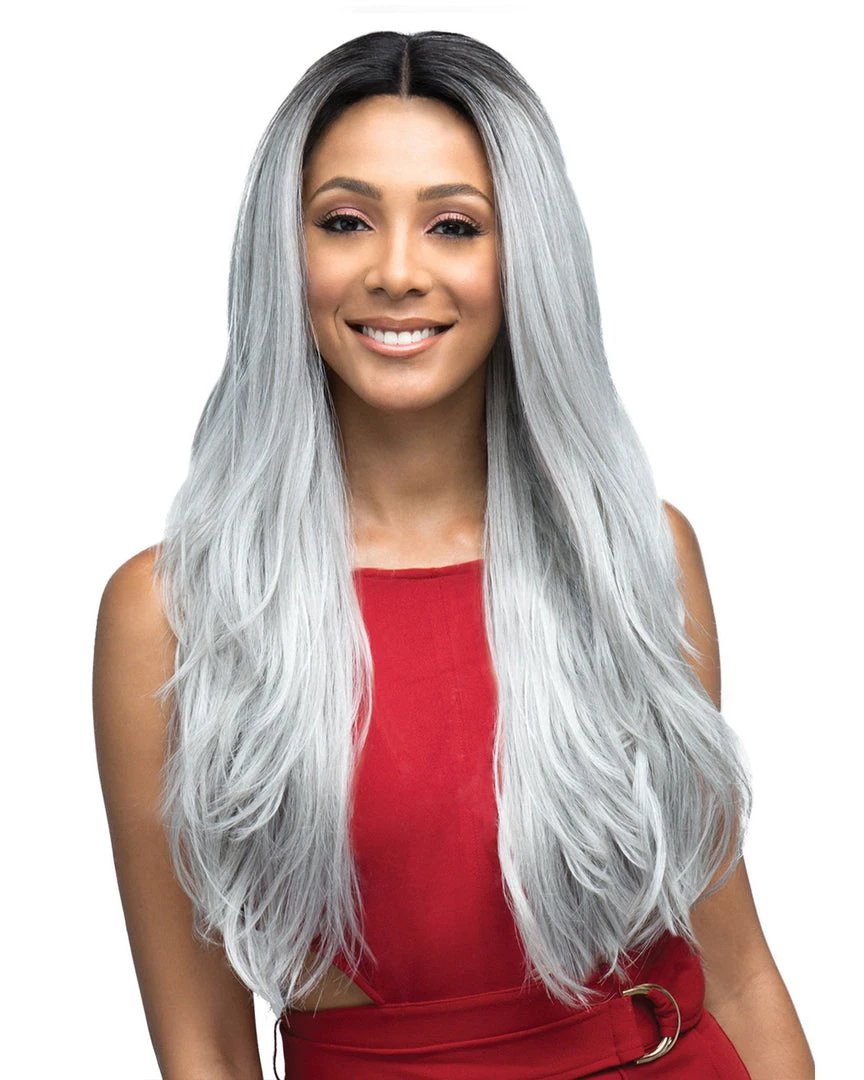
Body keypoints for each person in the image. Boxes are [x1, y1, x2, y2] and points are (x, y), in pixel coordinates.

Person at [92, 30, 814, 1080]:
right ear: (283, 255)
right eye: (345, 221)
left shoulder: (637, 556)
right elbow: (204, 1046)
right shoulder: (169, 615)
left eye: (454, 226)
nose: (397, 272)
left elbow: (739, 971)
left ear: (524, 260)